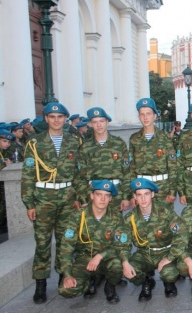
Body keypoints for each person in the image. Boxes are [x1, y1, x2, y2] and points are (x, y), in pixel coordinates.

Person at [20, 102, 81, 304]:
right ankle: (40, 283)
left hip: (67, 198)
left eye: (60, 117)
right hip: (43, 198)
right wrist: (29, 203)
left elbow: (79, 173)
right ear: (46, 119)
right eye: (52, 117)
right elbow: (28, 175)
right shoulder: (35, 143)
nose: (56, 120)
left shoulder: (74, 141)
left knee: (66, 239)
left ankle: (64, 275)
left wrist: (79, 197)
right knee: (43, 242)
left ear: (65, 119)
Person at [118, 178, 188, 301]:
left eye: (146, 194)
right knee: (126, 269)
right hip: (144, 254)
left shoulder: (165, 211)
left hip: (165, 251)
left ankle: (169, 283)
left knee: (169, 273)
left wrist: (169, 258)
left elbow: (181, 233)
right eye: (139, 195)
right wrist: (125, 262)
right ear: (135, 196)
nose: (143, 199)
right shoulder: (130, 217)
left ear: (153, 194)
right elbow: (123, 243)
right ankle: (147, 281)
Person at [58, 181, 123, 304]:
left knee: (117, 264)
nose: (102, 199)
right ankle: (89, 282)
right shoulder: (78, 216)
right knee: (65, 291)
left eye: (107, 196)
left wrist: (100, 256)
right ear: (92, 196)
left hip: (107, 258)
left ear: (110, 199)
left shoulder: (116, 217)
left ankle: (110, 285)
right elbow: (66, 246)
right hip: (85, 258)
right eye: (99, 195)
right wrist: (67, 274)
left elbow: (120, 245)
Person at [76, 107, 132, 211]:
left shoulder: (119, 144)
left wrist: (126, 197)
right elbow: (81, 177)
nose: (99, 125)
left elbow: (127, 172)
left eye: (102, 121)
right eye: (95, 122)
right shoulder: (85, 147)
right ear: (90, 124)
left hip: (115, 194)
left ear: (107, 122)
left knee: (116, 226)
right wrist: (83, 199)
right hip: (94, 194)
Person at [129, 98, 178, 206]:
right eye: (142, 114)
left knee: (165, 220)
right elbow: (131, 167)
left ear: (154, 116)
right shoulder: (134, 139)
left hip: (162, 188)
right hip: (141, 187)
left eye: (148, 114)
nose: (145, 117)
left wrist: (172, 191)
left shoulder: (165, 137)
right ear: (139, 117)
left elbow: (172, 166)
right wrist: (132, 192)